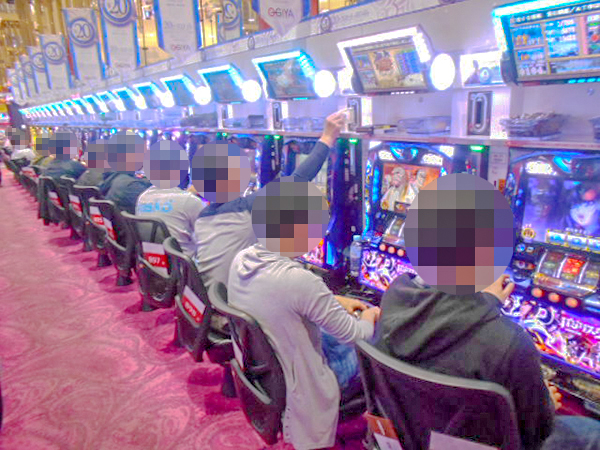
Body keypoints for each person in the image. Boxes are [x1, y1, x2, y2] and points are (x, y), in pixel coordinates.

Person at [228, 177, 381, 450]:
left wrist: (333, 300)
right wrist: (373, 315)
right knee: (382, 341)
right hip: (306, 380)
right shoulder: (299, 282)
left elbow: (281, 297)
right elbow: (356, 336)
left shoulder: (243, 259)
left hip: (271, 368)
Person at [376, 273, 600, 450]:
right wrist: (547, 404)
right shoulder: (511, 341)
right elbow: (534, 433)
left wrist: (487, 302)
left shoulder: (394, 296)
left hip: (404, 433)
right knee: (593, 431)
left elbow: (444, 317)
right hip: (466, 443)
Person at [193, 110, 346, 293]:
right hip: (234, 297)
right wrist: (327, 138)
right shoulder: (242, 211)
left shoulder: (202, 216)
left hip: (214, 295)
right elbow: (298, 180)